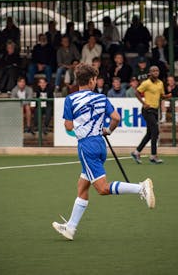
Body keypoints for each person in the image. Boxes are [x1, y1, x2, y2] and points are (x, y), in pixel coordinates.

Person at [52, 63, 155, 241]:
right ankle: (70, 227)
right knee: (82, 186)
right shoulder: (102, 98)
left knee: (102, 189)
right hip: (100, 144)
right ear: (92, 80)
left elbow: (68, 126)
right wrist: (107, 130)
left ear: (79, 80)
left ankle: (141, 188)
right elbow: (116, 118)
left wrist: (81, 128)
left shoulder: (71, 99)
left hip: (86, 146)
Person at [131, 66, 171, 165]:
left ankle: (136, 152)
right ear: (150, 72)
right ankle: (153, 156)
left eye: (157, 70)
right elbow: (137, 92)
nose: (155, 72)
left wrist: (166, 96)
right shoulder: (146, 83)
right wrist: (143, 103)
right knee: (155, 131)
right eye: (153, 71)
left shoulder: (160, 83)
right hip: (147, 110)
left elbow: (161, 96)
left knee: (150, 134)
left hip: (155, 110)